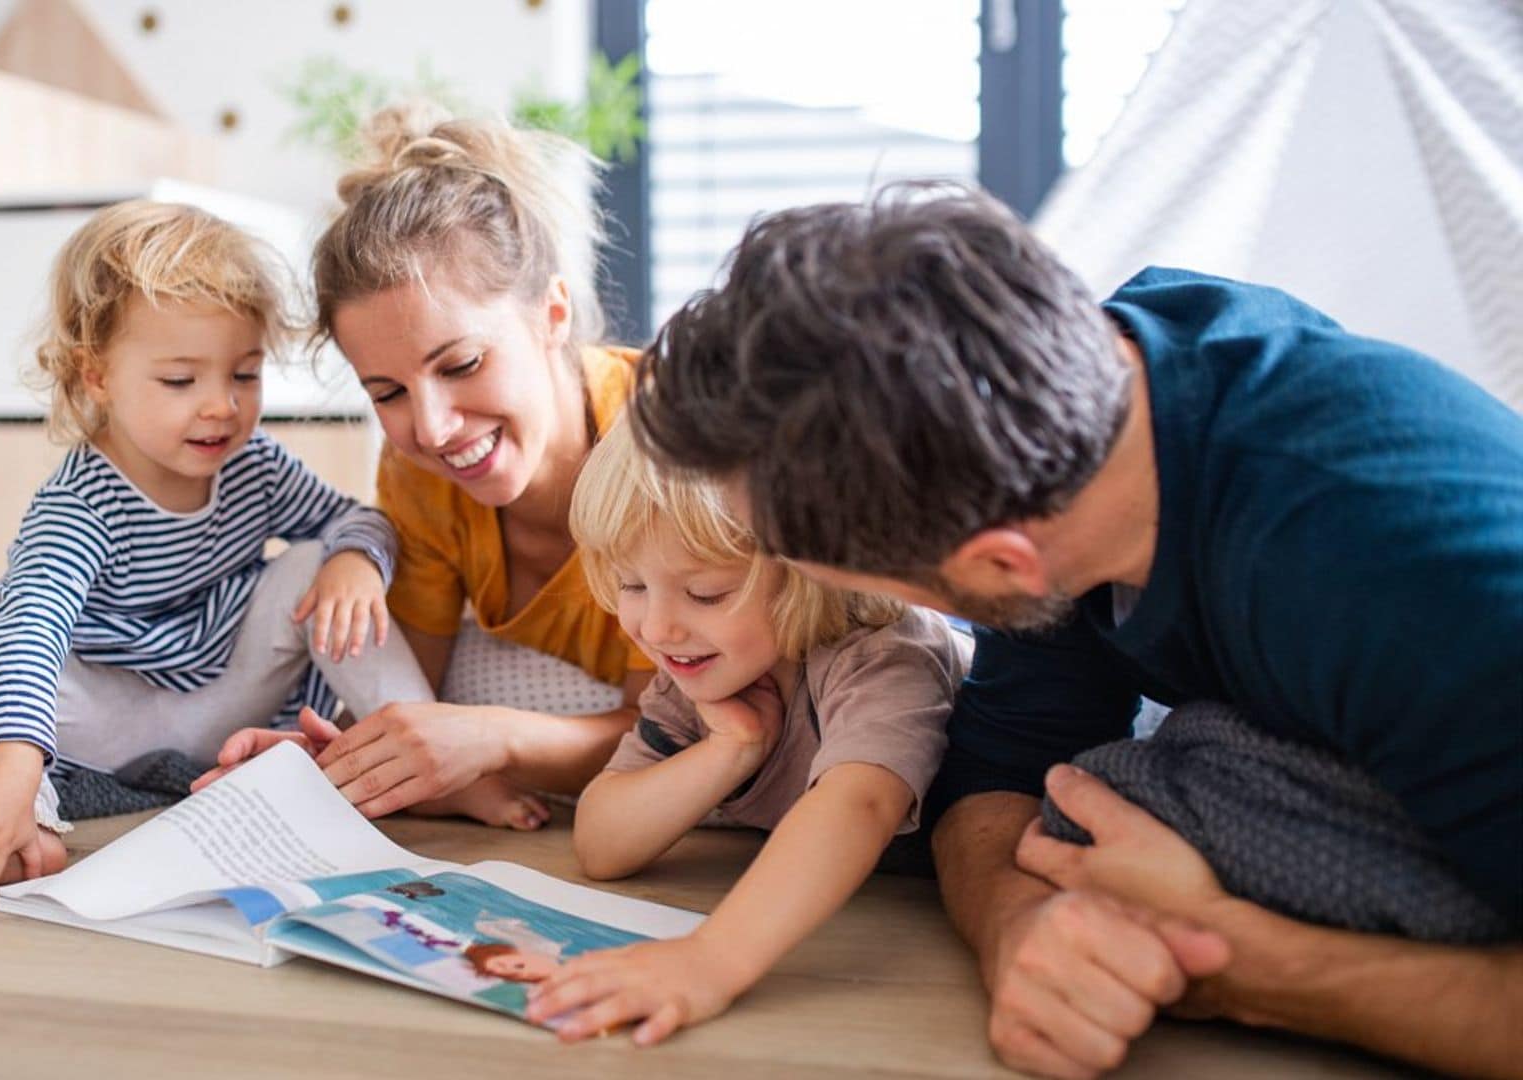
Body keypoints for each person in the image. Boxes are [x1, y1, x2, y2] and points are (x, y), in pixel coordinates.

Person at [626, 183, 1523, 1077]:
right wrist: (1020, 928)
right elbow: (996, 773)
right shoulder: (1056, 436)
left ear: (1004, 567)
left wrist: (1239, 965)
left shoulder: (1401, 576)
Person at [0, 200, 434, 892]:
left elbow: (353, 518)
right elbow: (30, 631)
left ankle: (417, 747)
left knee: (318, 562)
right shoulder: (80, 505)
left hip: (223, 702)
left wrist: (356, 558)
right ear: (97, 377)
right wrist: (12, 768)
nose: (222, 406)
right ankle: (12, 813)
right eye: (181, 380)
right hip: (103, 717)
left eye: (244, 375)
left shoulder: (255, 465)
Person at [201, 105, 657, 822]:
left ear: (553, 314)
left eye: (463, 364)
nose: (435, 428)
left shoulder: (661, 441)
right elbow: (411, 696)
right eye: (387, 392)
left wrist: (492, 735)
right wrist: (332, 764)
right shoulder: (419, 474)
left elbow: (669, 728)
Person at [521, 413, 970, 1044]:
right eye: (632, 585)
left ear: (811, 571)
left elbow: (861, 802)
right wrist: (732, 749)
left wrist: (710, 960)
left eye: (705, 594)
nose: (657, 628)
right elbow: (601, 844)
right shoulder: (700, 670)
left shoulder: (882, 651)